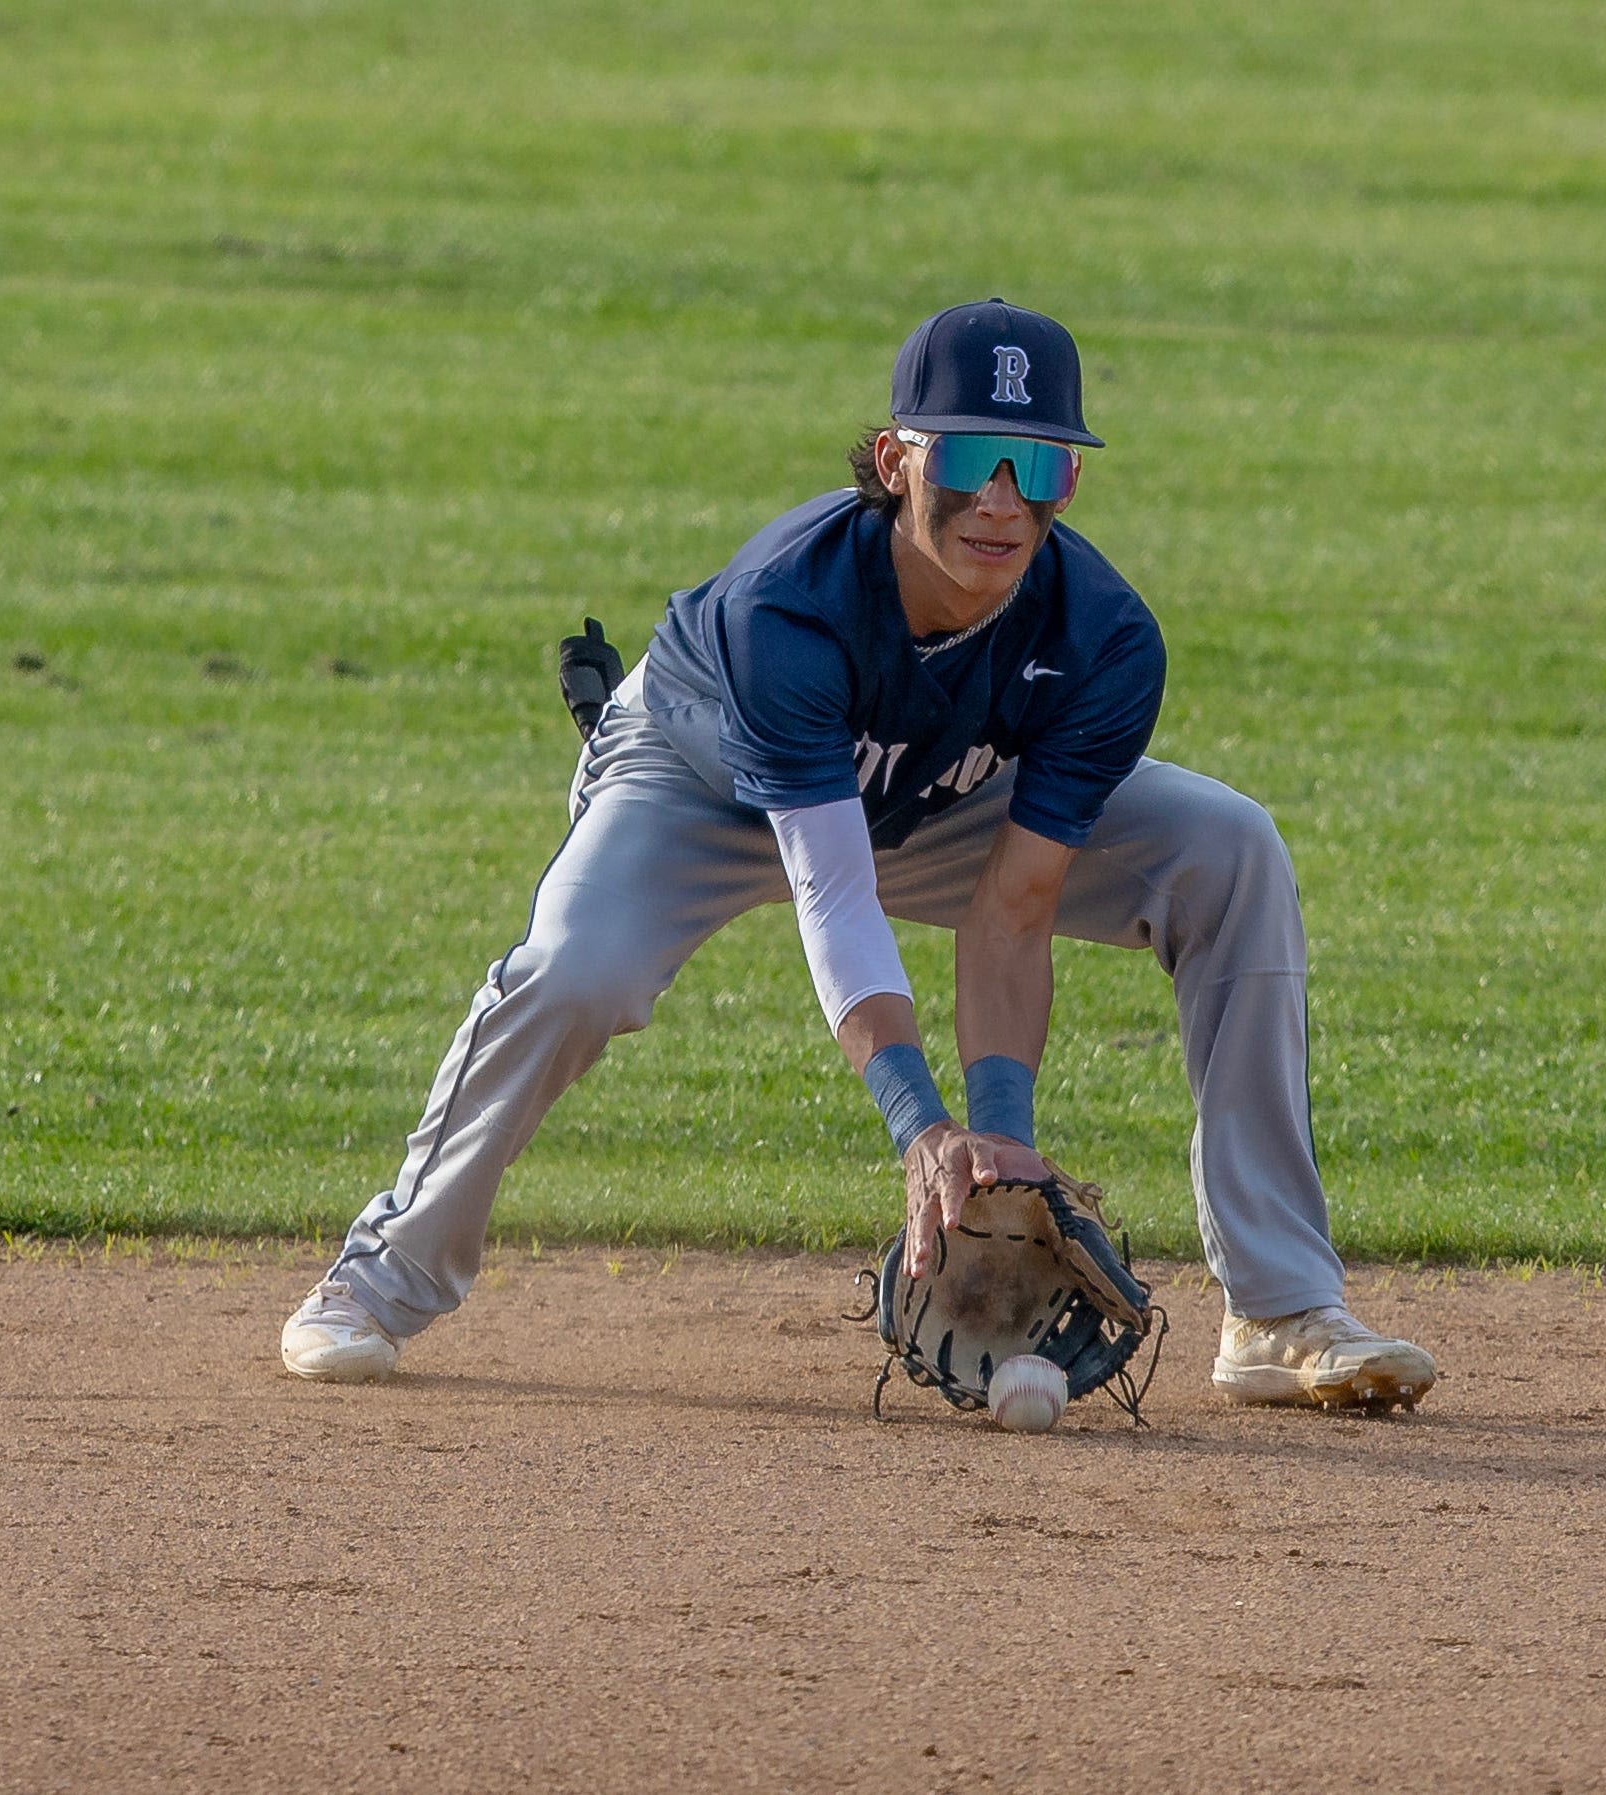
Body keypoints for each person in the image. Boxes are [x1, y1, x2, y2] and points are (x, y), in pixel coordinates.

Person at [278, 298, 1437, 1411]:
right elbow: (830, 891)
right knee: (578, 971)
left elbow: (1013, 908)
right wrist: (920, 1128)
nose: (999, 499)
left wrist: (1000, 1141)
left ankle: (1280, 1308)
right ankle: (377, 1279)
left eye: (1037, 466)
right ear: (894, 461)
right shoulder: (790, 609)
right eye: (969, 457)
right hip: (702, 786)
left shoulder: (1104, 639)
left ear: (1069, 484)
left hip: (939, 800)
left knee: (1226, 849)